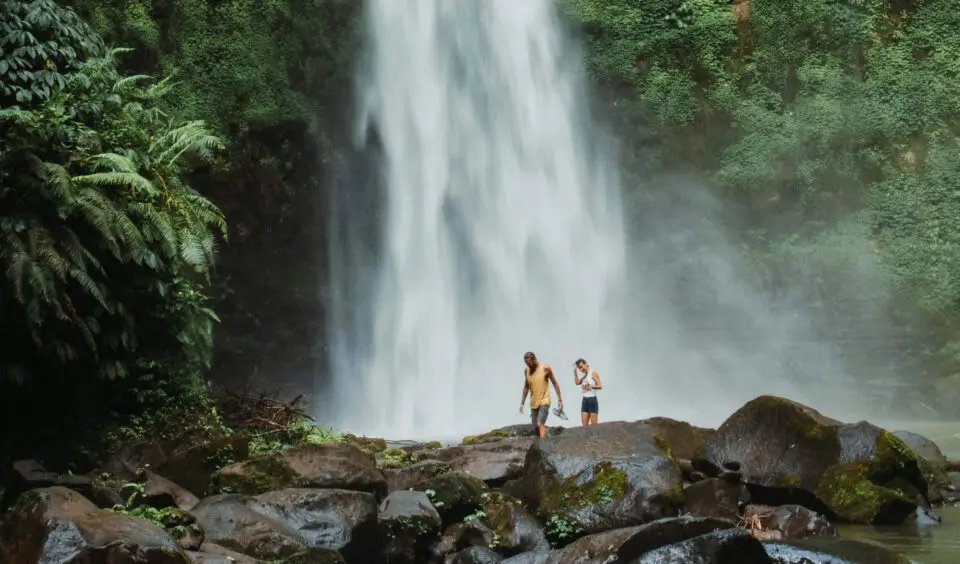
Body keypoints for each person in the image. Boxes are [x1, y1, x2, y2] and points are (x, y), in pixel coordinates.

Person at [519, 351, 563, 438]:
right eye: (526, 364)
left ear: (534, 360)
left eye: (530, 363)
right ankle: (545, 436)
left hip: (544, 401)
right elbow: (526, 387)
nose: (529, 366)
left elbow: (555, 383)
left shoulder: (545, 368)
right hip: (533, 403)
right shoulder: (527, 371)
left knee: (540, 423)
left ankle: (543, 444)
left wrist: (560, 400)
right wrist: (522, 403)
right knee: (536, 428)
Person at [574, 358, 602, 425]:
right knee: (584, 427)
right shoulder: (585, 375)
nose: (581, 369)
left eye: (581, 367)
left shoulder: (593, 373)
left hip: (592, 400)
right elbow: (577, 382)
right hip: (584, 401)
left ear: (586, 364)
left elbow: (600, 386)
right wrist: (575, 372)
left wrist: (591, 386)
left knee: (594, 426)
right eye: (579, 368)